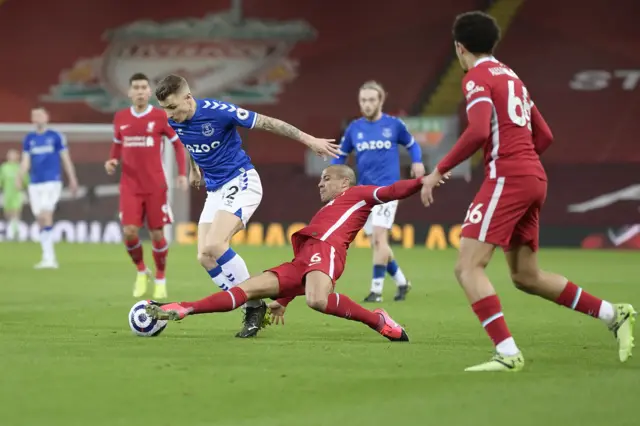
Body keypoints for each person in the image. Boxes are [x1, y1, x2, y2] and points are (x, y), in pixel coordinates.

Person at [420, 11, 636, 372]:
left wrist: (438, 171)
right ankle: (614, 314)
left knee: (468, 266)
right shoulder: (512, 78)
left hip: (508, 176)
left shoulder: (477, 78)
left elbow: (477, 132)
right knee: (525, 276)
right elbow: (545, 136)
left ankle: (507, 353)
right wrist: (524, 162)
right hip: (533, 177)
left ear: (460, 48)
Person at [146, 165, 444, 340]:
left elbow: (393, 191)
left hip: (326, 252)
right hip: (302, 260)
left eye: (326, 178)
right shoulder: (327, 208)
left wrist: (424, 180)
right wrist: (284, 299)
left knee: (317, 299)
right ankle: (184, 308)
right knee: (245, 291)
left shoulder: (358, 194)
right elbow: (304, 271)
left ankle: (376, 319)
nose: (320, 182)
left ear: (345, 183)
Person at [154, 74, 340, 338]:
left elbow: (268, 123)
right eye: (165, 109)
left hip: (241, 180)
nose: (169, 115)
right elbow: (189, 142)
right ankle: (255, 302)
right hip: (216, 189)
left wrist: (310, 141)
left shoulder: (219, 112)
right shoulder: (176, 120)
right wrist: (194, 169)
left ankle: (253, 305)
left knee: (216, 245)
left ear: (188, 97)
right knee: (204, 257)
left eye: (173, 107)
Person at [332, 81, 425, 303]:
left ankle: (376, 291)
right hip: (365, 193)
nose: (367, 104)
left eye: (371, 99)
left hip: (388, 191)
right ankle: (402, 282)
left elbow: (412, 144)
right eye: (363, 100)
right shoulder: (354, 129)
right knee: (379, 243)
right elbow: (340, 156)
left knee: (378, 240)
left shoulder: (393, 125)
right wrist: (333, 176)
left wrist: (418, 162)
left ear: (380, 101)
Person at [105, 73, 188, 299]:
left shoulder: (160, 116)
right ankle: (142, 270)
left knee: (157, 234)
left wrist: (182, 173)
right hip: (130, 185)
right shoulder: (121, 117)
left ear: (149, 92)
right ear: (130, 92)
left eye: (144, 87)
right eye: (136, 87)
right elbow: (117, 145)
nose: (140, 91)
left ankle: (160, 277)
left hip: (155, 185)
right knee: (129, 232)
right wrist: (112, 160)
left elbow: (178, 145)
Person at [17, 107, 79, 268]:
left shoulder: (56, 136)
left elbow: (65, 158)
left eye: (40, 115)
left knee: (46, 214)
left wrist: (72, 178)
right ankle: (46, 256)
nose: (37, 118)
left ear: (47, 117)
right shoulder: (29, 139)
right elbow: (25, 161)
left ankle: (50, 258)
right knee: (40, 219)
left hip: (52, 181)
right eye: (34, 116)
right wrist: (19, 178)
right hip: (34, 183)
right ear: (32, 120)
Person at [0, 149, 27, 239]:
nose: (11, 156)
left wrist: (22, 183)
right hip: (7, 194)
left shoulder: (20, 168)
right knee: (7, 214)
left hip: (17, 194)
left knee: (16, 212)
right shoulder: (4, 168)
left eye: (13, 155)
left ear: (17, 156)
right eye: (10, 154)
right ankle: (9, 230)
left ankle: (15, 233)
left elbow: (27, 181)